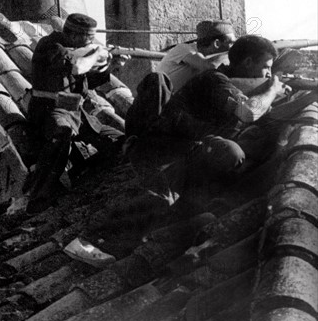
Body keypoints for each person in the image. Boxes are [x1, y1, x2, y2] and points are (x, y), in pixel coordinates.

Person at [125, 35, 300, 206]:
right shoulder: (215, 80)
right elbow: (248, 113)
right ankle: (186, 201)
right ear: (247, 63)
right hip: (168, 154)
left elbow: (272, 115)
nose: (269, 74)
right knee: (231, 152)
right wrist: (273, 89)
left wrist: (310, 97)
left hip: (193, 150)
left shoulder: (239, 86)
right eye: (266, 67)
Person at [26, 13, 124, 213]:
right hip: (49, 111)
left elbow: (86, 83)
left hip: (75, 112)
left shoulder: (75, 50)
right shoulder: (51, 45)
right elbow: (77, 68)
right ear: (74, 36)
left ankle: (84, 176)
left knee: (118, 139)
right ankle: (40, 198)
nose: (91, 43)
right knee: (60, 134)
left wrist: (111, 66)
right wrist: (96, 54)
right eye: (88, 39)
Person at [156, 20, 236, 93]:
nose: (234, 46)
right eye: (231, 43)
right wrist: (235, 52)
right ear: (217, 44)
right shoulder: (183, 49)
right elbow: (209, 65)